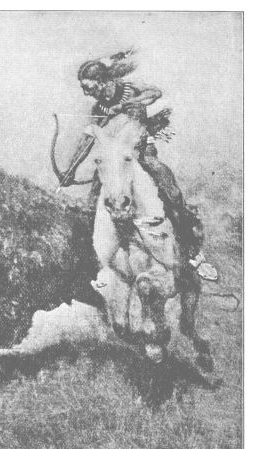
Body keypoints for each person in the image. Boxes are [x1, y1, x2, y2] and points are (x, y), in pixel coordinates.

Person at [59, 51, 217, 281]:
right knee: (93, 201)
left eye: (90, 87)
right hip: (116, 158)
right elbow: (87, 139)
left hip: (141, 150)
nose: (87, 93)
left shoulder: (129, 89)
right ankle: (89, 264)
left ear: (104, 82)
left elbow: (155, 92)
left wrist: (124, 106)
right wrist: (70, 170)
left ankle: (193, 252)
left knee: (166, 185)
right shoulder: (98, 109)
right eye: (85, 89)